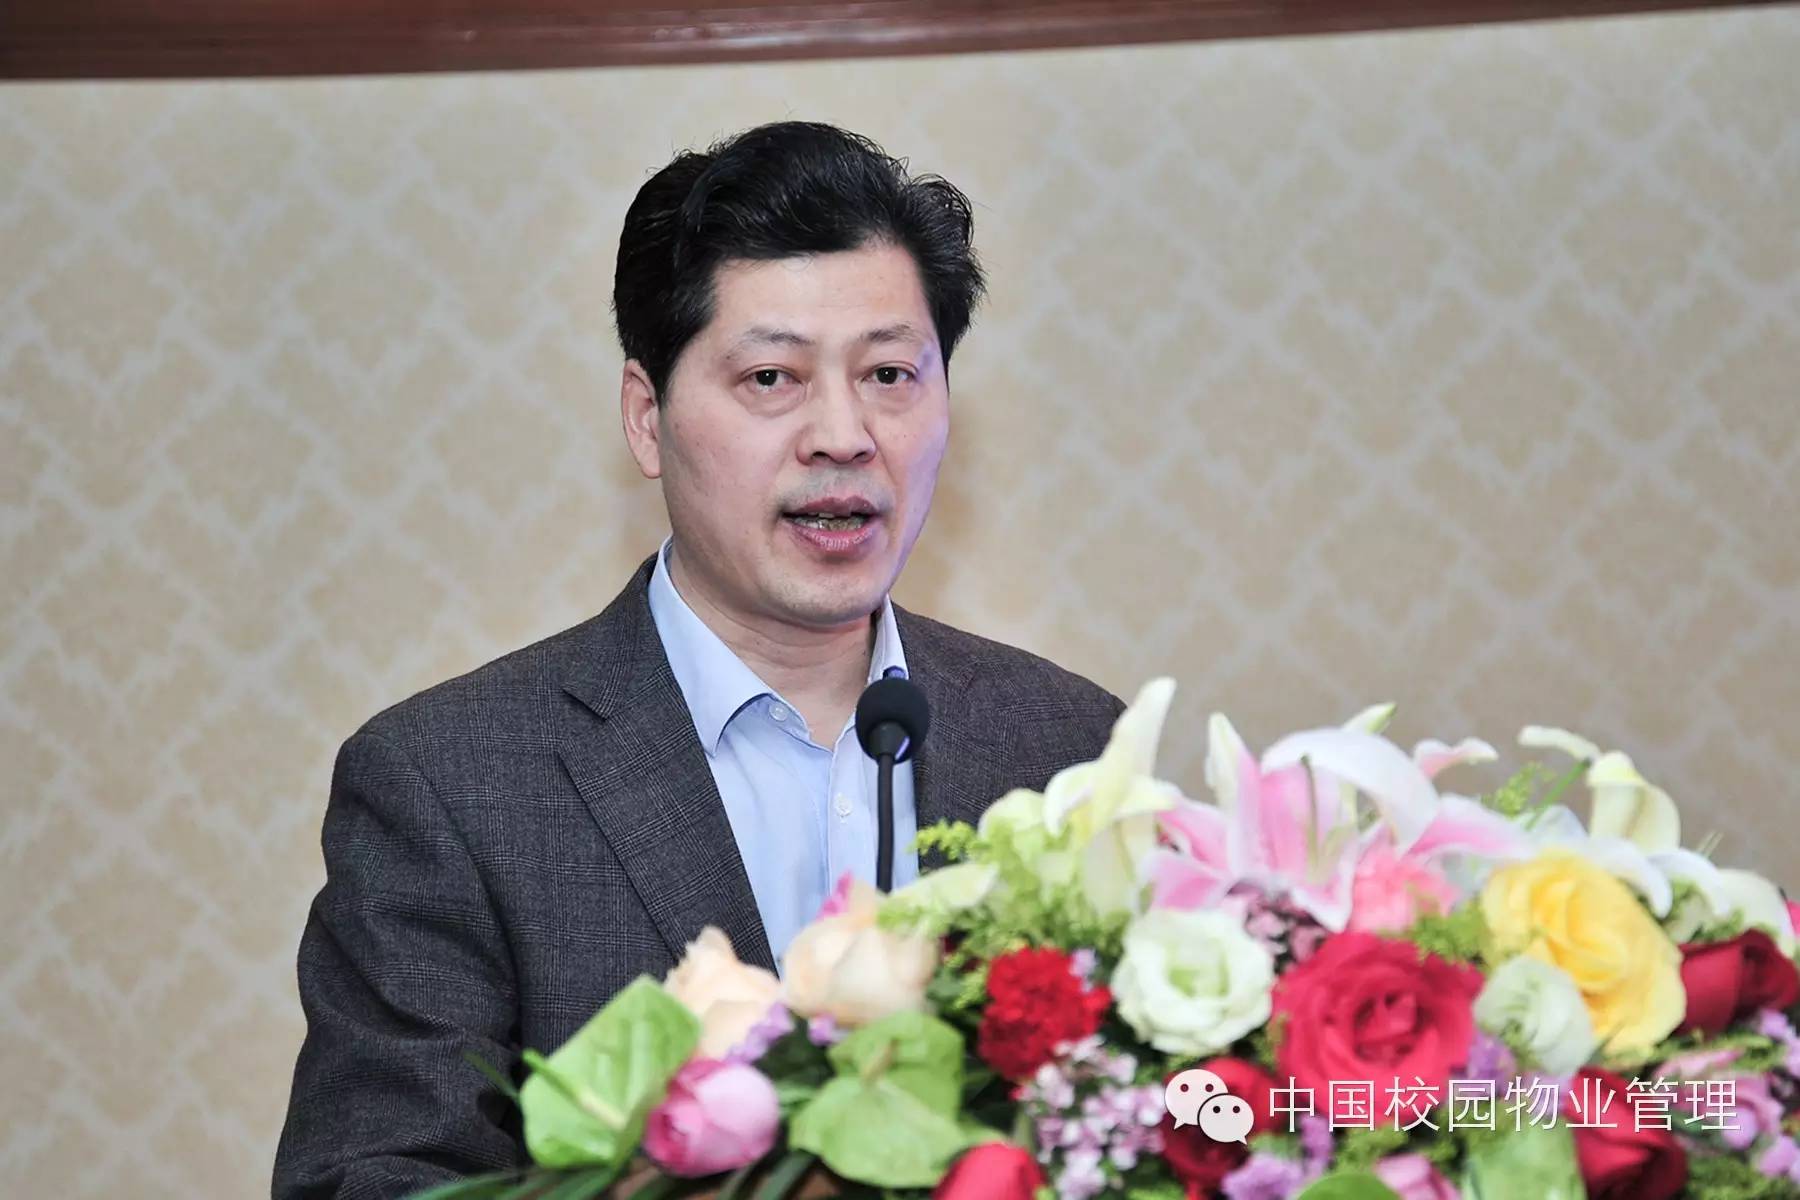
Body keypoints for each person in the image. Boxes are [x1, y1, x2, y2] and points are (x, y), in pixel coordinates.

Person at [272, 120, 1125, 1198]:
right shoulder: (452, 784)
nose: (844, 434)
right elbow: (373, 1180)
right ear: (647, 418)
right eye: (772, 376)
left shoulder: (1069, 750)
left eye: (890, 374)